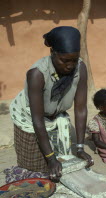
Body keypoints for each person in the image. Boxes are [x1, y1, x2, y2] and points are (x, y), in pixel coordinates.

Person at [9, 26, 94, 183]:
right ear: (52, 53)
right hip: (29, 118)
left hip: (56, 115)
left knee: (64, 163)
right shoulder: (37, 74)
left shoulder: (80, 68)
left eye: (74, 60)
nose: (69, 65)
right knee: (39, 168)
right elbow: (37, 120)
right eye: (64, 60)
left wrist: (80, 148)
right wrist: (50, 158)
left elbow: (81, 109)